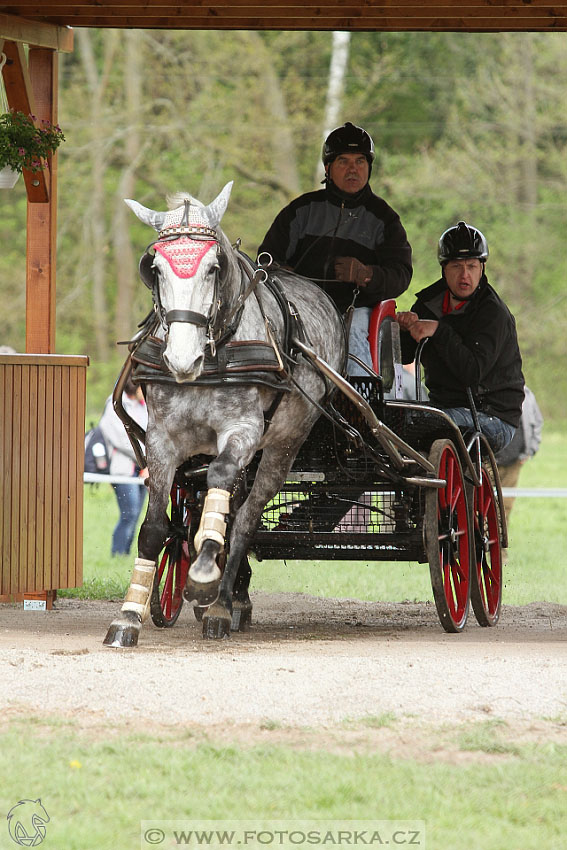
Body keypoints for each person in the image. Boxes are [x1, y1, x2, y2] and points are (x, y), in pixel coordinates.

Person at [258, 121, 412, 375]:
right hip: (301, 310)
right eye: (343, 161)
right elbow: (266, 260)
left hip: (355, 313)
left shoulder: (384, 219)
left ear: (369, 167)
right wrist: (285, 275)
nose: (353, 169)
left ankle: (358, 405)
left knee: (354, 341)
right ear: (328, 168)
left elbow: (402, 274)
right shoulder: (301, 211)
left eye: (360, 162)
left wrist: (366, 274)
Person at [397, 221, 524, 453]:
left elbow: (471, 372)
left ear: (482, 268)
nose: (464, 275)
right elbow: (405, 357)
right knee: (392, 420)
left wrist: (438, 330)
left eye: (472, 266)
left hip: (492, 417)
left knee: (421, 423)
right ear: (444, 269)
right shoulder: (428, 304)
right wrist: (406, 329)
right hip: (444, 408)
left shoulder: (493, 313)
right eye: (456, 266)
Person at [99, 379, 148, 556]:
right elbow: (120, 439)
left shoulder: (141, 406)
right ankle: (118, 551)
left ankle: (124, 552)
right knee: (130, 512)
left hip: (142, 468)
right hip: (124, 468)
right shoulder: (116, 404)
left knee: (135, 515)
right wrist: (145, 460)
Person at [495, 386, 543, 522]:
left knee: (506, 505)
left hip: (513, 461)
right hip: (489, 459)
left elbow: (537, 423)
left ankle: (501, 540)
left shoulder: (528, 395)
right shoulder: (490, 390)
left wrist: (529, 451)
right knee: (481, 503)